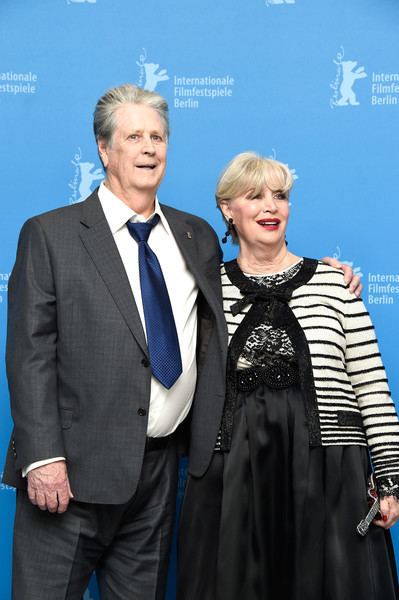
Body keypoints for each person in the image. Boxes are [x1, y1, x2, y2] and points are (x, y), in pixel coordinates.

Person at [3, 84, 359, 600]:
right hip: (72, 475)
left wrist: (321, 274)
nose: (149, 148)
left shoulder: (196, 237)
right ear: (104, 149)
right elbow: (28, 353)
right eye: (134, 136)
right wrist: (42, 460)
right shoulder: (50, 234)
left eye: (158, 136)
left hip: (160, 475)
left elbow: (254, 282)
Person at [178, 152, 399, 600]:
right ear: (227, 209)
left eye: (279, 196)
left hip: (329, 471)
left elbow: (372, 386)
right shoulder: (204, 291)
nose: (270, 207)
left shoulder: (335, 285)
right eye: (254, 196)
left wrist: (391, 480)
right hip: (231, 474)